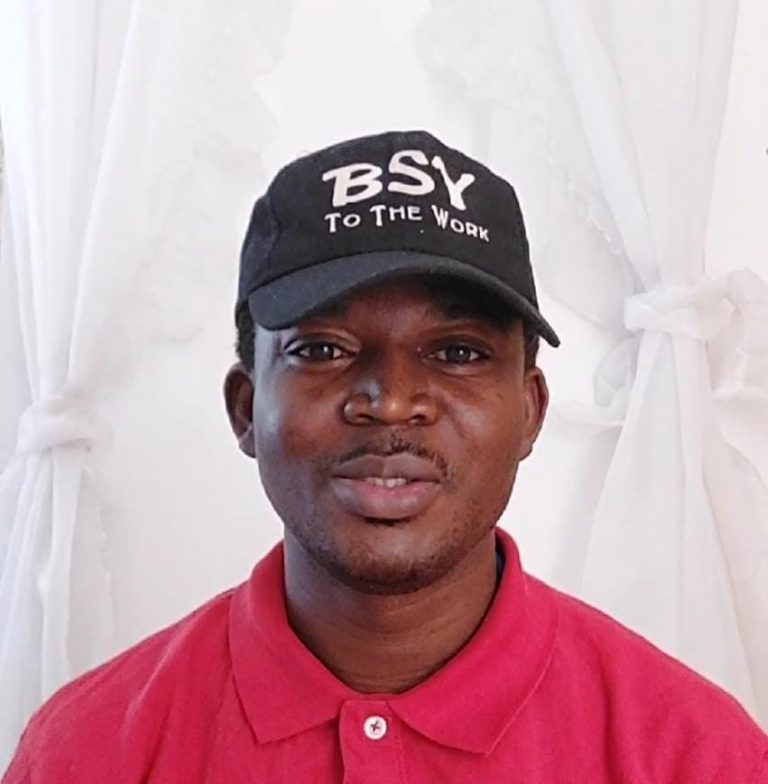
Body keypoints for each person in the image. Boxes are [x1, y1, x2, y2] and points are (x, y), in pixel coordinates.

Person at [3, 130, 767, 783]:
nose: (392, 401)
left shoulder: (693, 754)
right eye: (322, 349)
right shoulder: (86, 753)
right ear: (246, 409)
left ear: (530, 412)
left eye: (458, 352)